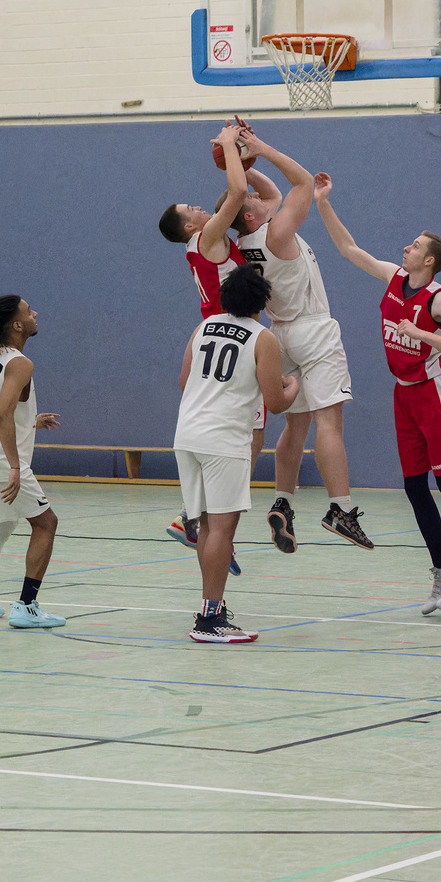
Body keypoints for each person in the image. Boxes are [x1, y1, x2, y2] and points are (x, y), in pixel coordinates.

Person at [314, 171, 441, 613]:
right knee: (413, 487)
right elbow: (350, 249)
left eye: (415, 247)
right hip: (402, 395)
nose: (406, 248)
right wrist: (323, 203)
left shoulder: (439, 300)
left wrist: (424, 336)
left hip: (433, 392)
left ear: (428, 262)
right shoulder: (392, 278)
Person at [218, 129, 373, 553]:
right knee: (329, 423)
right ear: (250, 216)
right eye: (249, 199)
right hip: (313, 328)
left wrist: (244, 155)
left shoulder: (250, 239)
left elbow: (265, 191)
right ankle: (340, 508)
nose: (256, 194)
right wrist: (262, 148)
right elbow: (301, 183)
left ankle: (283, 501)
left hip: (281, 333)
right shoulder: (275, 234)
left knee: (296, 424)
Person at [159, 120, 272, 565]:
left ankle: (197, 518)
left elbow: (237, 197)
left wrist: (245, 157)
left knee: (252, 432)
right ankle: (202, 520)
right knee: (250, 431)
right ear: (189, 225)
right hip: (232, 334)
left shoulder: (214, 240)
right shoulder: (205, 238)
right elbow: (238, 195)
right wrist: (229, 148)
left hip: (214, 332)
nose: (201, 206)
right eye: (193, 207)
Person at [174, 264, 299, 642]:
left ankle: (211, 607)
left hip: (187, 434)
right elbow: (275, 402)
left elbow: (184, 380)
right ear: (262, 301)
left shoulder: (204, 326)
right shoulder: (262, 338)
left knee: (208, 528)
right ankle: (209, 619)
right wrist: (292, 385)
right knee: (223, 529)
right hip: (224, 439)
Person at [0, 295, 65, 629]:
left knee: (5, 523)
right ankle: (27, 605)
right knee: (46, 523)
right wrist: (16, 466)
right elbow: (3, 412)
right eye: (28, 311)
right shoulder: (20, 362)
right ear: (17, 325)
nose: (35, 313)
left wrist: (31, 421)